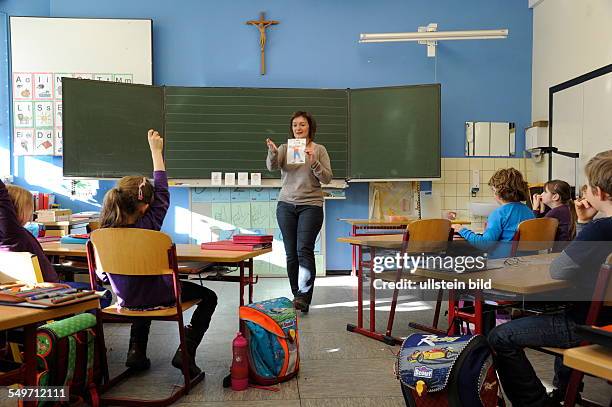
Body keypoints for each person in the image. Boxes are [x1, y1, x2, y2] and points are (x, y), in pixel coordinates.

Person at [488, 150, 612, 407]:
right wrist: (584, 223)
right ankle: (566, 392)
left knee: (501, 337)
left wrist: (587, 227)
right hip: (607, 322)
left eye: (587, 186)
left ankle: (537, 404)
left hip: (592, 325)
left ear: (598, 193)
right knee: (565, 308)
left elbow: (560, 271)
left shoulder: (602, 229)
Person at [99, 129, 217, 377]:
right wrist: (156, 151)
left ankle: (136, 353)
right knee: (209, 296)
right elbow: (163, 191)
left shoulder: (102, 234)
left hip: (125, 299)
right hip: (159, 297)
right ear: (144, 207)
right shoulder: (149, 225)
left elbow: (101, 276)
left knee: (139, 290)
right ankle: (186, 352)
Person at [0, 174, 112, 308]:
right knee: (104, 293)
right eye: (30, 207)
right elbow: (3, 200)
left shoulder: (8, 237)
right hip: (48, 291)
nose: (32, 213)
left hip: (21, 292)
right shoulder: (13, 235)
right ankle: (73, 319)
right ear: (17, 209)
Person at [266, 111, 332, 313]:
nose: (298, 128)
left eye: (302, 124)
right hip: (286, 204)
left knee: (304, 249)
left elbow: (327, 178)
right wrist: (273, 153)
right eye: (295, 125)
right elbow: (272, 167)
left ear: (310, 127)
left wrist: (314, 162)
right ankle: (297, 295)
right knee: (291, 253)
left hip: (310, 205)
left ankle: (304, 296)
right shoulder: (286, 148)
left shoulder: (319, 149)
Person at [456, 167, 534, 258]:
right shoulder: (529, 212)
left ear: (499, 192)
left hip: (501, 263)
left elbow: (484, 244)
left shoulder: (498, 214)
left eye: (493, 190)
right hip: (525, 261)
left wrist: (462, 230)